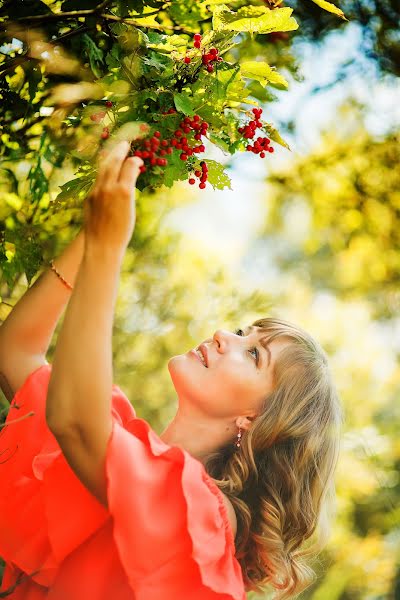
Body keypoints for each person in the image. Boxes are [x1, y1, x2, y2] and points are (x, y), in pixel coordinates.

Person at [0, 141, 343, 599]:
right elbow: (17, 354)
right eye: (245, 332)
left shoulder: (202, 516)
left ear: (258, 418)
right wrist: (98, 223)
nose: (225, 336)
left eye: (255, 355)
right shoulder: (124, 443)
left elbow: (75, 423)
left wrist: (109, 246)